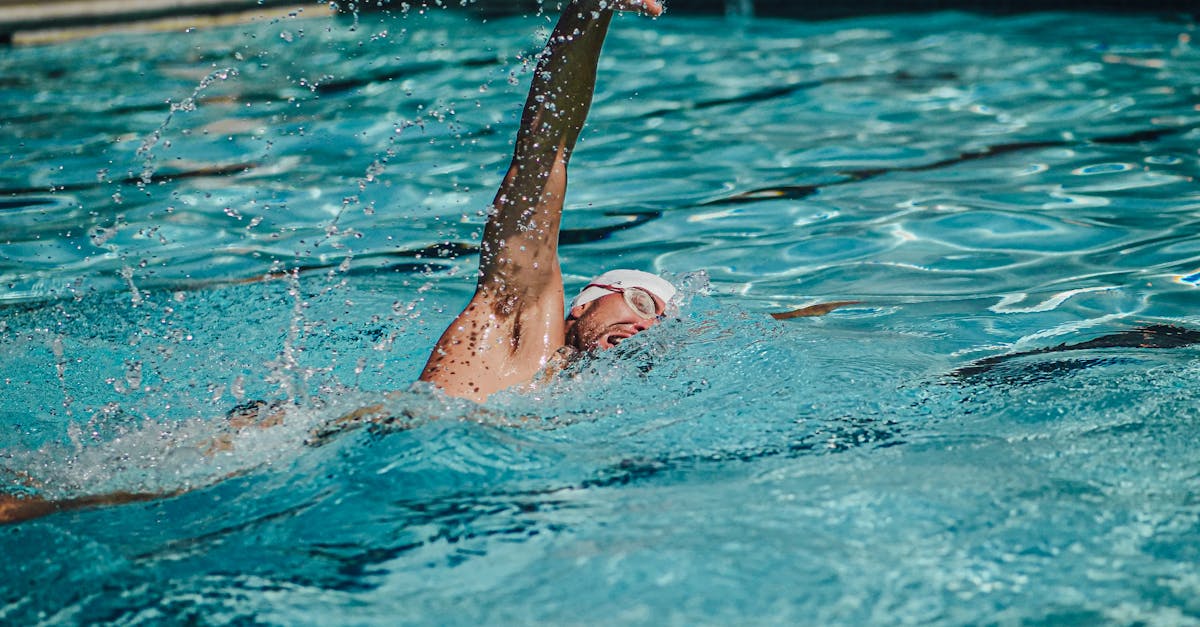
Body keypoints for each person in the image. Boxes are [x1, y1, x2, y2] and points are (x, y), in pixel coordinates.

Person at [418, 0, 673, 402]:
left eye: (662, 324)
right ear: (584, 305)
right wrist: (590, 10)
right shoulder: (514, 326)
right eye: (641, 304)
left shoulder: (575, 397)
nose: (648, 326)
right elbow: (543, 155)